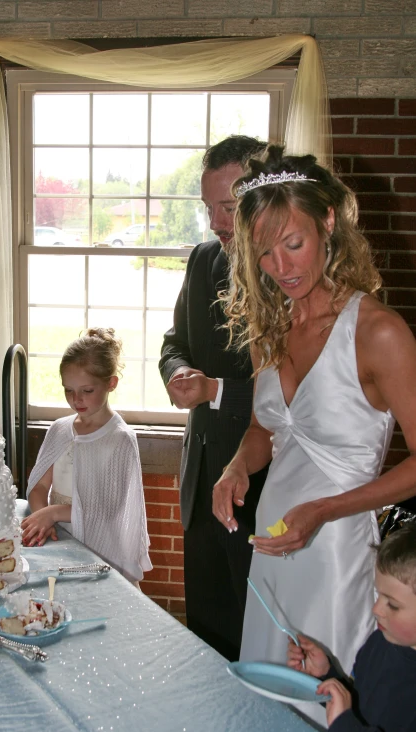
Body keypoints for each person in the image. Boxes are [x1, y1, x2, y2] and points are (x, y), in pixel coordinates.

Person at [212, 145, 416, 687]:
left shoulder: (379, 333)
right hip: (274, 539)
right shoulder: (269, 328)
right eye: (264, 253)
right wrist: (237, 467)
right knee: (268, 688)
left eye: (293, 244)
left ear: (328, 222)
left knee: (326, 700)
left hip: (335, 547)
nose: (281, 268)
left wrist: (323, 510)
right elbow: (265, 430)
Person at [159, 135, 268, 661]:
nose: (215, 222)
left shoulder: (285, 274)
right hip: (201, 475)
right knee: (203, 629)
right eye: (208, 208)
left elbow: (297, 397)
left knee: (256, 633)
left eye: (226, 207)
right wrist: (178, 371)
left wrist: (217, 390)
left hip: (260, 487)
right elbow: (173, 343)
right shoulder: (203, 261)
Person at [22, 328, 152, 585]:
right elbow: (38, 486)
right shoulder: (59, 429)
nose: (76, 399)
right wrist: (43, 520)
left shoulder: (120, 439)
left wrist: (53, 513)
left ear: (111, 384)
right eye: (68, 390)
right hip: (58, 537)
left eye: (87, 391)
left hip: (99, 547)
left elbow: (109, 509)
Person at [288, 525, 416, 732]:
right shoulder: (380, 641)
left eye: (392, 604)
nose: (376, 609)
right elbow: (366, 707)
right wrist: (327, 677)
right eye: (379, 594)